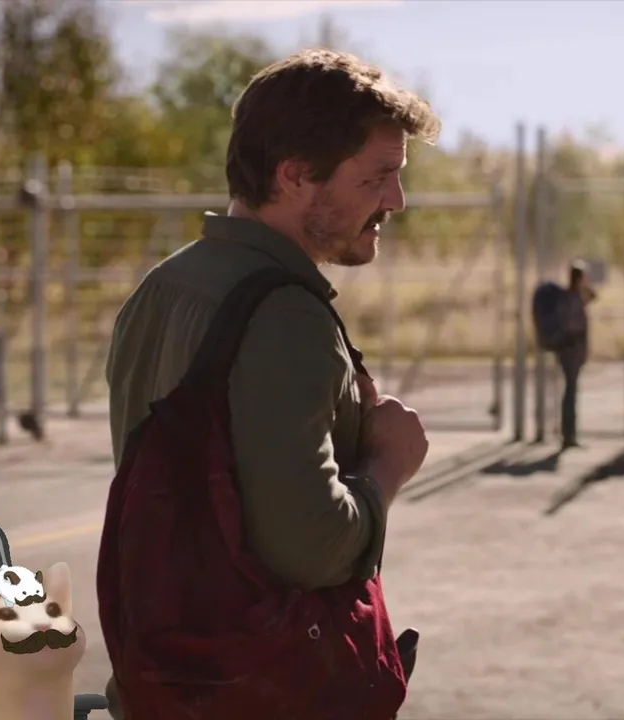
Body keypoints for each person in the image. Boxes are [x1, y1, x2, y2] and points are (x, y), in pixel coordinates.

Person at [102, 49, 440, 718]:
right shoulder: (285, 315)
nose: (396, 201)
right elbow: (312, 547)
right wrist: (390, 463)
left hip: (162, 685)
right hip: (264, 693)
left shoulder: (161, 287)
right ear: (295, 175)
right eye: (377, 177)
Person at [555, 261, 596, 449]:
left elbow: (594, 296)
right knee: (570, 392)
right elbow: (573, 326)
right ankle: (568, 434)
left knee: (571, 391)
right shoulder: (572, 299)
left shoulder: (572, 296)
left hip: (570, 350)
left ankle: (569, 433)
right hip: (571, 351)